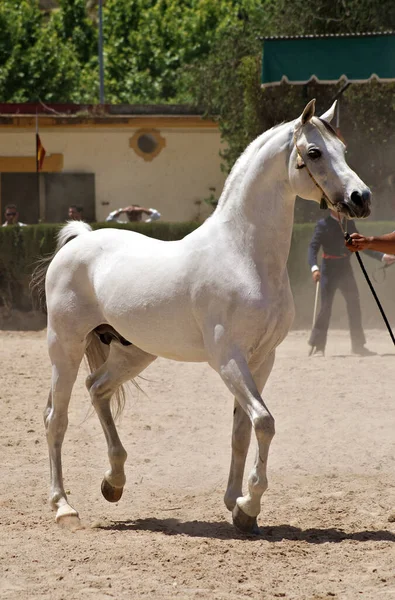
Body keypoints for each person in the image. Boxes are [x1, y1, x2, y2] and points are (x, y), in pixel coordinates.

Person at [308, 210, 395, 357]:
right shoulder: (323, 225)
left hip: (345, 268)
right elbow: (312, 248)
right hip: (328, 269)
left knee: (354, 305)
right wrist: (314, 268)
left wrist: (382, 256)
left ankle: (358, 346)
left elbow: (361, 244)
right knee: (326, 307)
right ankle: (318, 346)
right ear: (333, 209)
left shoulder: (349, 224)